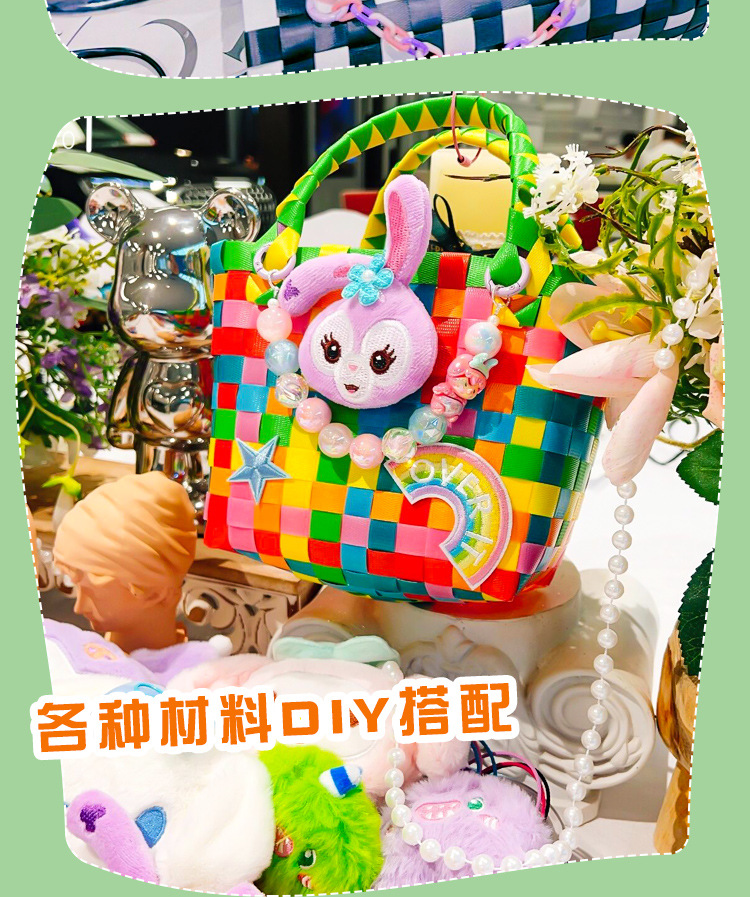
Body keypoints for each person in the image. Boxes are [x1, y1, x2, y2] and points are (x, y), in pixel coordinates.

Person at [53, 471, 197, 653]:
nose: (78, 608)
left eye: (94, 593)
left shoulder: (196, 670)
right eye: (78, 587)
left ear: (155, 593)